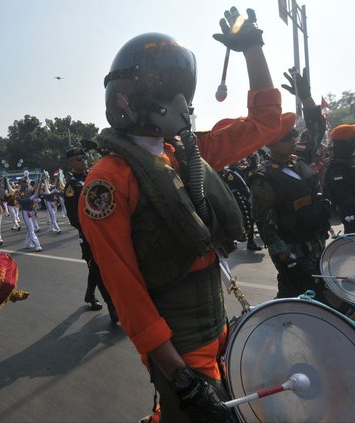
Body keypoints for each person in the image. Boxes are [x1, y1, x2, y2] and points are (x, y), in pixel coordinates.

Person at [79, 7, 283, 422]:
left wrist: (253, 51)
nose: (178, 99)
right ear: (126, 98)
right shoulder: (109, 181)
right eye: (163, 86)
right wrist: (180, 378)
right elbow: (126, 292)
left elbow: (266, 122)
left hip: (215, 323)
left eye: (179, 86)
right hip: (178, 341)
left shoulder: (188, 153)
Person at [250, 67, 330, 302]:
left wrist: (306, 97)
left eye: (294, 136)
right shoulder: (263, 178)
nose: (294, 140)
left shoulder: (301, 160)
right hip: (294, 251)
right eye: (287, 138)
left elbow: (317, 129)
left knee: (313, 298)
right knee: (295, 296)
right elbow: (264, 224)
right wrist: (285, 258)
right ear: (271, 144)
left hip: (316, 242)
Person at [64, 146, 117, 320]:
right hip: (89, 235)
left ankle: (89, 295)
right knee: (99, 269)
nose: (83, 160)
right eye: (78, 158)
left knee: (96, 267)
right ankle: (112, 307)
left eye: (84, 157)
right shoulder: (72, 186)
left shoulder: (94, 176)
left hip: (106, 230)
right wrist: (89, 231)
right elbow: (73, 216)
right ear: (70, 163)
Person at [322, 124, 355, 234]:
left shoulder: (348, 162)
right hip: (351, 216)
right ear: (346, 144)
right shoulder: (337, 168)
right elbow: (344, 197)